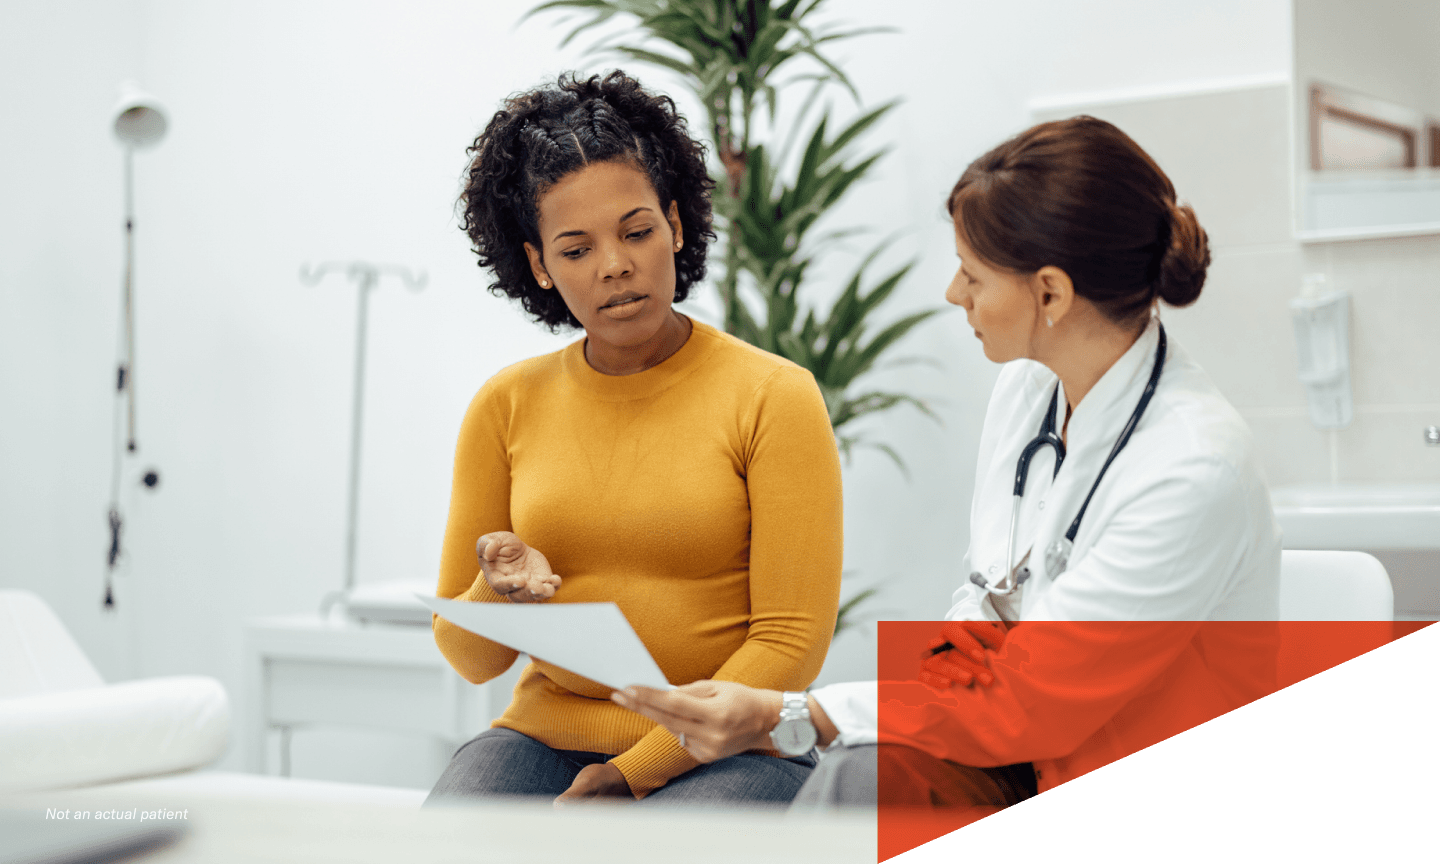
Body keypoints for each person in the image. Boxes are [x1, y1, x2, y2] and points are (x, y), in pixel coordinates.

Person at [609, 116, 1282, 815]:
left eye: (973, 274)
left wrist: (791, 713)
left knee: (854, 775)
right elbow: (986, 596)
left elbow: (1034, 698)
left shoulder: (1192, 470)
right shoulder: (1029, 388)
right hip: (1027, 759)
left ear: (1050, 294)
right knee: (858, 782)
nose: (954, 294)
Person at [425, 71, 844, 808]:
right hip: (545, 737)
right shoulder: (505, 405)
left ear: (676, 227)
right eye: (576, 248)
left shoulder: (774, 396)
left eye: (637, 231)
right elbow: (468, 656)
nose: (615, 264)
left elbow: (789, 644)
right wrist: (499, 590)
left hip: (731, 745)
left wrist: (632, 773)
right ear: (539, 266)